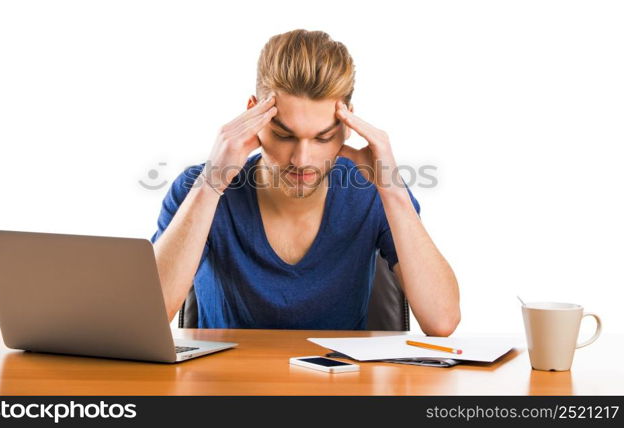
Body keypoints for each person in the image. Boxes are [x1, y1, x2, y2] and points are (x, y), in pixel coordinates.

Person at [150, 29, 460, 335]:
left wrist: (392, 190)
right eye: (284, 135)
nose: (302, 159)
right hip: (224, 384)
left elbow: (442, 321)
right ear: (252, 115)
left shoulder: (371, 192)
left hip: (339, 382)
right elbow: (149, 317)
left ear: (348, 123)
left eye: (323, 137)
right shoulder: (198, 188)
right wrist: (211, 184)